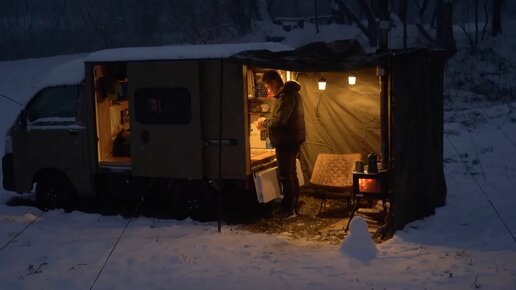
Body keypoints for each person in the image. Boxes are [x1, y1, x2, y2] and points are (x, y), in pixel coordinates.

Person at [256, 70, 305, 218]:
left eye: (268, 86)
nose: (268, 89)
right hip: (292, 139)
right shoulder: (291, 93)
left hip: (286, 141)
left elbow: (279, 121)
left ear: (274, 82)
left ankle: (288, 209)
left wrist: (264, 122)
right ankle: (294, 203)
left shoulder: (285, 96)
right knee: (291, 173)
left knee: (285, 175)